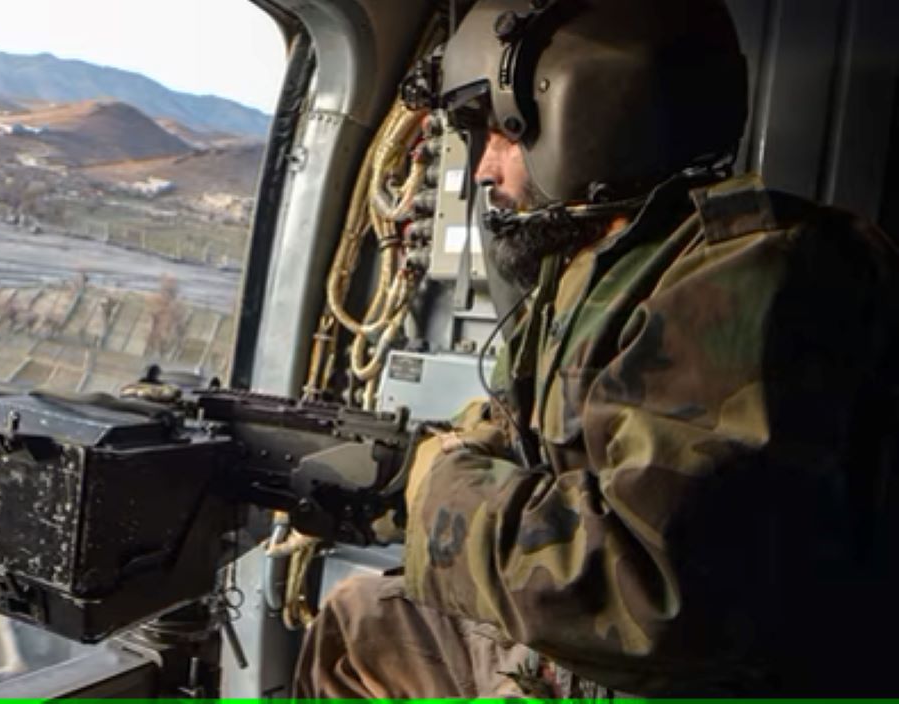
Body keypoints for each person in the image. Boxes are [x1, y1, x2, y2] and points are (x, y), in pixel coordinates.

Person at [294, 0, 899, 697]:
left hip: (686, 676)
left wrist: (439, 491)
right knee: (360, 621)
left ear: (583, 105)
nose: (484, 169)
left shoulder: (754, 275)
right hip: (592, 666)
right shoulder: (600, 267)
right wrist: (437, 456)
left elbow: (649, 591)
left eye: (495, 130)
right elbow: (524, 431)